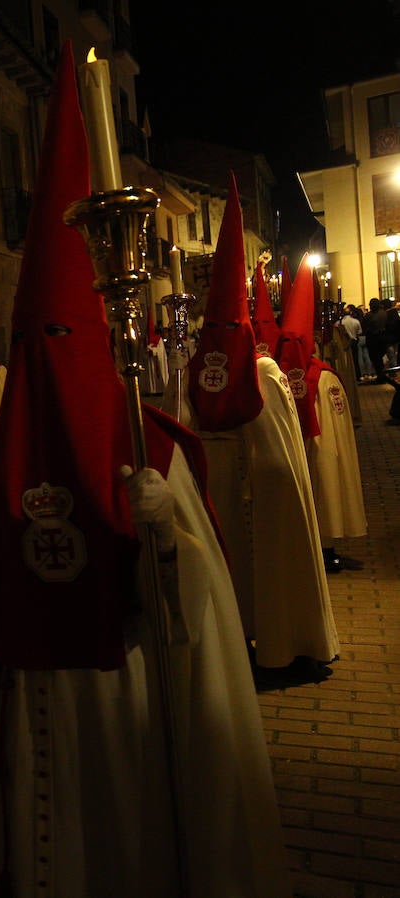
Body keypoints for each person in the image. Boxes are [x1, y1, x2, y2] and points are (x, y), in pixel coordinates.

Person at [0, 44, 288, 898]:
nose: (50, 365)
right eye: (36, 347)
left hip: (126, 703)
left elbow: (201, 633)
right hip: (26, 705)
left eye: (65, 342)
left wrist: (170, 536)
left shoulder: (154, 448)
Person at [187, 179, 339, 678]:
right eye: (216, 333)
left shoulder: (268, 374)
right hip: (218, 487)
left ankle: (285, 640)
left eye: (231, 331)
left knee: (273, 559)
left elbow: (282, 451)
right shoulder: (193, 370)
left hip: (259, 488)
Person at [277, 264, 367, 575]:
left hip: (298, 450)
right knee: (325, 494)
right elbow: (335, 431)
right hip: (319, 450)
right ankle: (324, 553)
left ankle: (316, 550)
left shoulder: (278, 374)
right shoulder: (321, 378)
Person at [361, 298, 396, 386]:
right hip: (382, 338)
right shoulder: (384, 313)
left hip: (374, 339)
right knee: (380, 359)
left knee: (376, 359)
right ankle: (382, 375)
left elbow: (365, 326)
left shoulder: (370, 316)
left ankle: (381, 376)